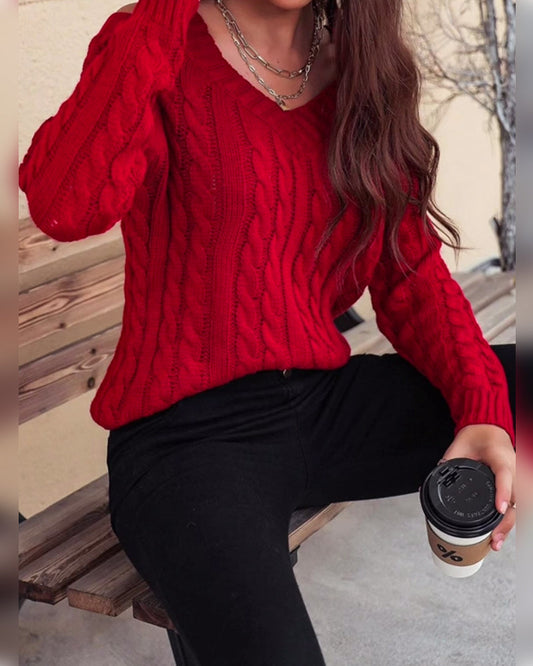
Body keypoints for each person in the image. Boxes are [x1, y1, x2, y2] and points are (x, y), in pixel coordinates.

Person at [19, 0, 516, 663]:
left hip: (322, 405)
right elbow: (65, 206)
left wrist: (482, 410)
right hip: (187, 442)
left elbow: (411, 277)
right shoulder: (155, 40)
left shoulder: (360, 67)